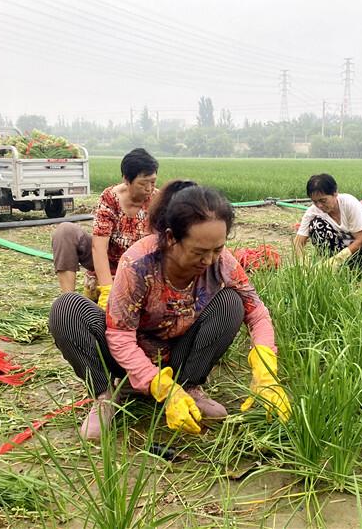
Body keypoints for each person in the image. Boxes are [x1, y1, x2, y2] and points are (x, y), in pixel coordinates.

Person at [49, 180, 290, 439]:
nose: (208, 260)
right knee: (67, 309)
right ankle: (105, 396)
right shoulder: (138, 263)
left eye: (217, 249)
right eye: (198, 252)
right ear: (171, 238)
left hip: (178, 353)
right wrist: (162, 387)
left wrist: (266, 370)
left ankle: (188, 388)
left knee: (232, 302)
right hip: (129, 356)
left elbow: (256, 312)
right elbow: (120, 337)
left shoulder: (222, 263)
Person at [51, 148, 158, 309]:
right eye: (143, 183)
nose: (149, 189)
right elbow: (99, 247)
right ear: (126, 180)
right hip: (108, 259)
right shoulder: (110, 198)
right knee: (65, 232)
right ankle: (69, 303)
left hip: (139, 266)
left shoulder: (158, 201)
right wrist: (107, 290)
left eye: (153, 182)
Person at [293, 174, 362, 268]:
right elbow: (298, 242)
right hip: (345, 250)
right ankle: (335, 268)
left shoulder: (349, 203)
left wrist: (338, 259)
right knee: (316, 225)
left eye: (323, 200)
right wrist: (303, 266)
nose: (319, 205)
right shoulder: (313, 212)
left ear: (335, 193)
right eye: (315, 202)